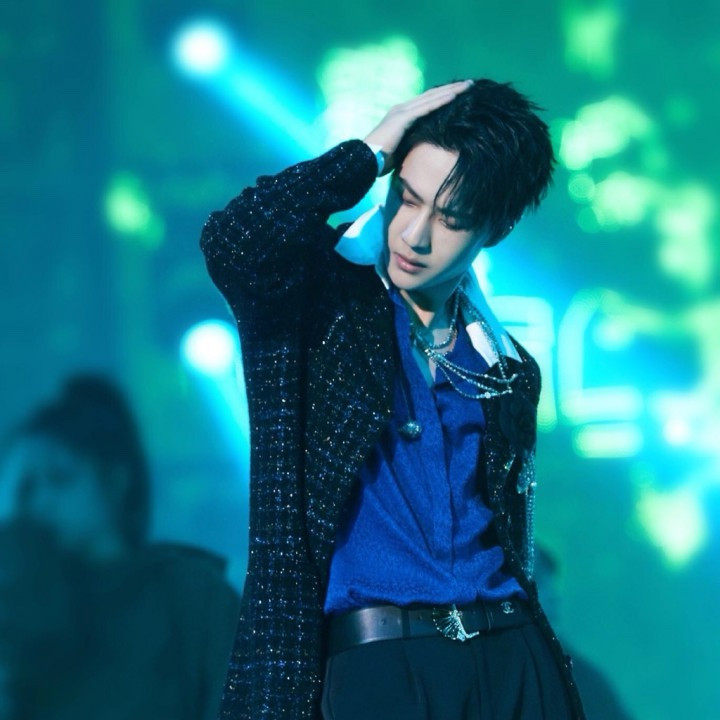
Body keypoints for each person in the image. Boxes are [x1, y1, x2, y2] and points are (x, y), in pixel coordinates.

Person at [201, 79, 586, 719]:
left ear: (496, 229)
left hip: (511, 656)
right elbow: (234, 240)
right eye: (407, 198)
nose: (415, 234)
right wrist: (370, 151)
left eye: (451, 219)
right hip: (378, 663)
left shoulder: (509, 367)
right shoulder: (317, 300)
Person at [0, 375, 240, 720]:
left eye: (60, 477)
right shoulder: (21, 600)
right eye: (27, 487)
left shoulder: (190, 591)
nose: (42, 500)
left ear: (115, 480)